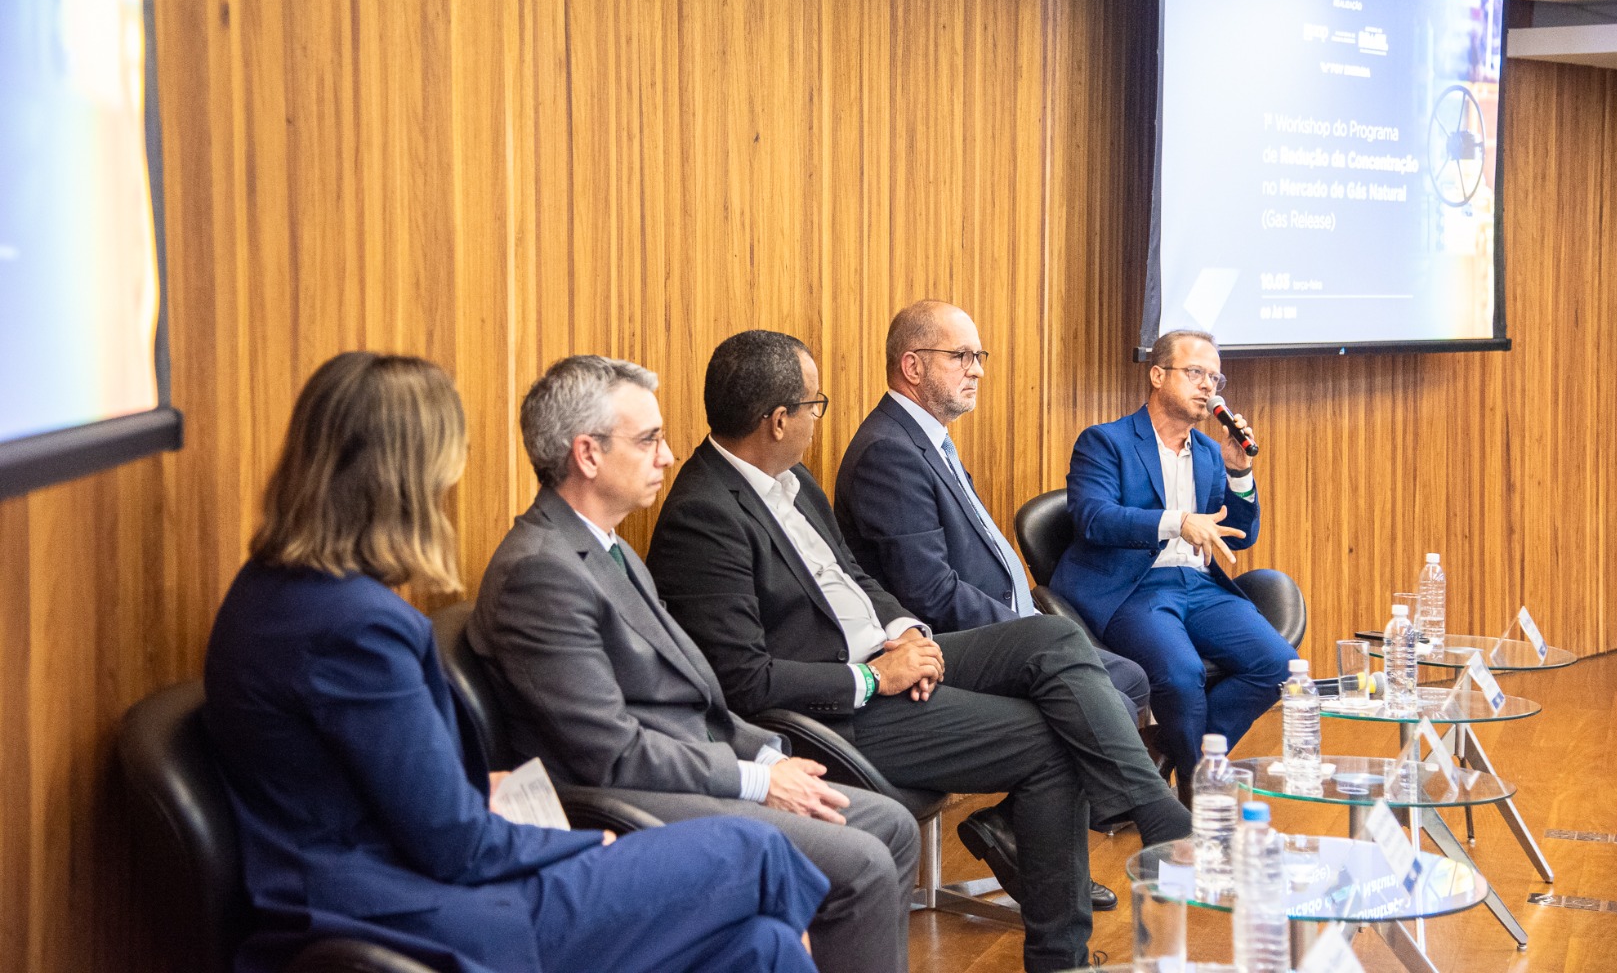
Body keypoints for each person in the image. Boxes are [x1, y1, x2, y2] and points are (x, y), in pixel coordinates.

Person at [203, 351, 826, 973]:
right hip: (415, 913)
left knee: (762, 949)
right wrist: (578, 844)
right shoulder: (354, 626)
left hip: (408, 882)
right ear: (403, 479)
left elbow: (379, 786)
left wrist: (477, 790)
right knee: (758, 852)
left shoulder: (268, 593)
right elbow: (455, 844)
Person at [645, 330, 1191, 973]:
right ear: (778, 420)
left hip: (891, 657)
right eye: (814, 405)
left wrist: (908, 634)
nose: (821, 416)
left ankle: (1154, 814)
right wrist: (875, 678)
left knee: (1053, 637)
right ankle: (1063, 957)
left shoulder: (792, 479)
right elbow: (744, 682)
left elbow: (857, 579)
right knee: (1053, 741)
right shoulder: (704, 515)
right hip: (835, 713)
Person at [470, 355, 918, 973]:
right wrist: (758, 781)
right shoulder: (540, 571)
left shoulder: (610, 547)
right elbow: (611, 753)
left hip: (696, 764)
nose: (669, 454)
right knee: (861, 860)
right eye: (649, 439)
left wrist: (766, 753)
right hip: (621, 796)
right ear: (588, 454)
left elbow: (692, 695)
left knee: (892, 825)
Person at [833, 300, 1153, 912]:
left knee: (1127, 679)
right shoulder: (888, 451)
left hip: (1007, 626)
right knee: (1105, 692)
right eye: (961, 356)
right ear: (912, 365)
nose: (976, 368)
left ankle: (1017, 829)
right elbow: (931, 594)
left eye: (979, 356)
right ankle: (1044, 855)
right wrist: (1025, 634)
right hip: (946, 648)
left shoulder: (929, 441)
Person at [1048, 328, 1297, 791]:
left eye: (1215, 379)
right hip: (1135, 587)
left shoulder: (1207, 452)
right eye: (1196, 372)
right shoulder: (1106, 442)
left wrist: (1239, 474)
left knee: (1280, 667)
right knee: (1182, 678)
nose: (1208, 386)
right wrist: (1177, 522)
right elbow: (1093, 518)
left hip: (1200, 587)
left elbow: (1240, 535)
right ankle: (1195, 795)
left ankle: (1191, 764)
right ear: (1158, 375)